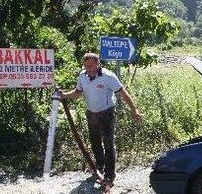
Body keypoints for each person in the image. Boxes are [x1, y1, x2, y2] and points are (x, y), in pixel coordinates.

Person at [60, 53, 142, 186]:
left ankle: (110, 175)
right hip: (91, 114)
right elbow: (77, 93)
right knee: (95, 142)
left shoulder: (108, 76)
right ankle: (99, 167)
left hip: (107, 113)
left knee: (108, 143)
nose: (89, 68)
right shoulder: (83, 76)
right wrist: (63, 95)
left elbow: (123, 93)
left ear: (98, 64)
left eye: (91, 65)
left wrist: (134, 110)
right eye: (86, 66)